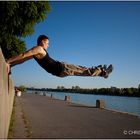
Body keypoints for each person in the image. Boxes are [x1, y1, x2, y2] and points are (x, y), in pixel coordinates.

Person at [6, 35, 113, 78]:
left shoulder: (35, 54)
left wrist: (11, 65)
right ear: (42, 42)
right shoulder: (39, 49)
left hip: (58, 71)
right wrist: (8, 61)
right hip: (61, 68)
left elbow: (22, 60)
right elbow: (23, 55)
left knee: (82, 70)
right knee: (83, 71)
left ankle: (99, 69)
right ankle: (103, 72)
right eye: (47, 43)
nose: (48, 45)